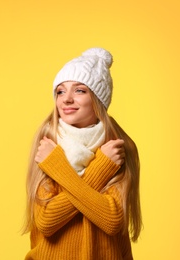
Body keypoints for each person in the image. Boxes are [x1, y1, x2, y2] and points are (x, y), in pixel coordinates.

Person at [23, 48, 142, 259]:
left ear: (98, 99)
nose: (66, 99)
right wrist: (100, 169)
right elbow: (46, 221)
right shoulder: (48, 144)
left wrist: (60, 169)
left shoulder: (118, 149)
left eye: (79, 90)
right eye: (60, 91)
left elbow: (112, 220)